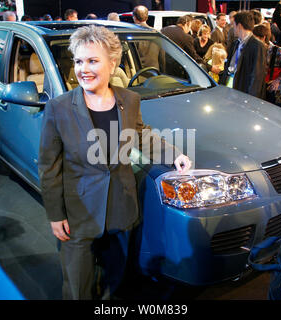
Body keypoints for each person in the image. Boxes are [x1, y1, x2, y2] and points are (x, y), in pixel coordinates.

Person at [38, 25, 192, 300]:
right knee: (77, 288)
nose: (83, 69)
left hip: (121, 208)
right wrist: (55, 214)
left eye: (93, 61)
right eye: (78, 61)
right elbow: (49, 167)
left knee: (116, 281)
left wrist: (174, 155)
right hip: (78, 214)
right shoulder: (58, 108)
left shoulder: (129, 100)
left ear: (112, 63)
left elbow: (142, 136)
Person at [219, 11, 267, 99]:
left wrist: (251, 99)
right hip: (230, 90)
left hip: (244, 93)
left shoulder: (257, 46)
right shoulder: (236, 43)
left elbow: (257, 76)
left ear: (239, 26)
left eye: (234, 25)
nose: (232, 28)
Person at [253, 24, 281, 111]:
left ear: (263, 38)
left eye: (254, 38)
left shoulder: (278, 51)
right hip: (257, 90)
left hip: (271, 92)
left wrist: (278, 80)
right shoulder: (253, 50)